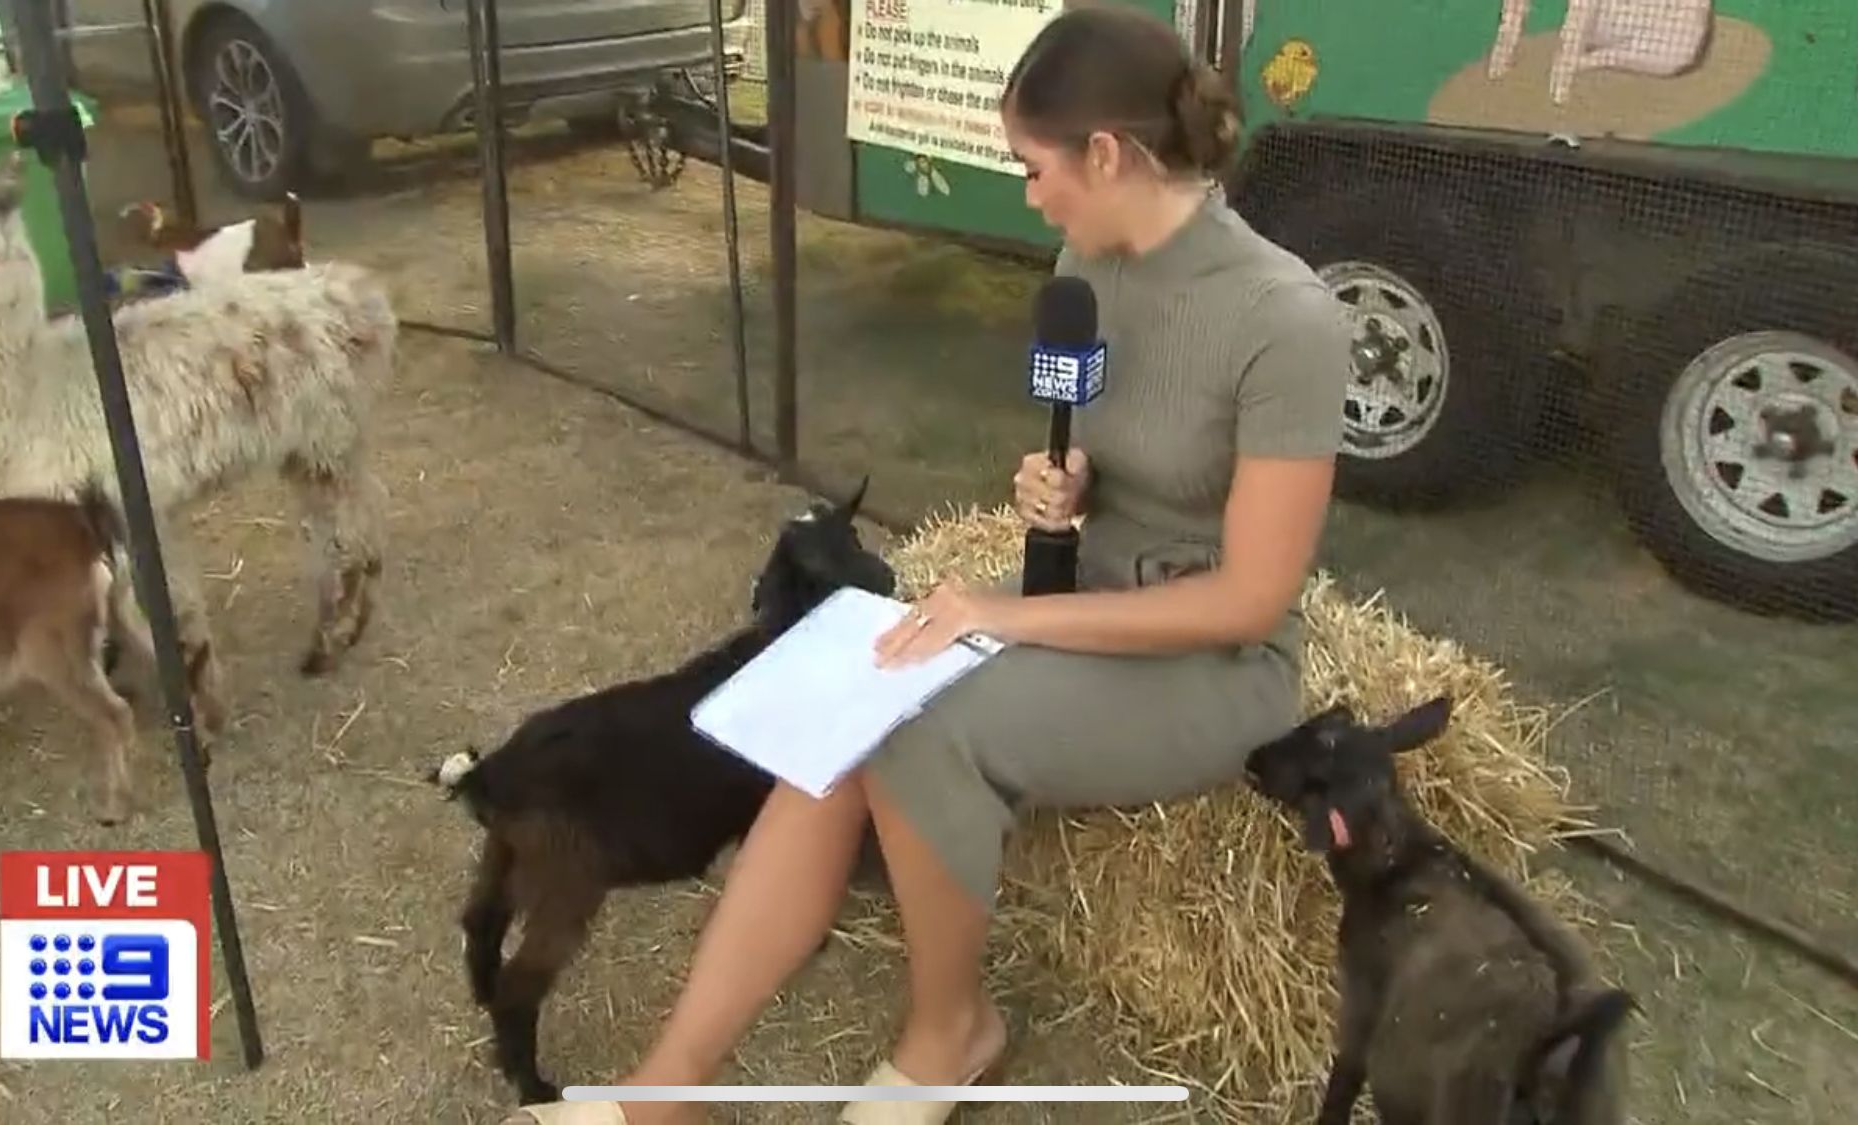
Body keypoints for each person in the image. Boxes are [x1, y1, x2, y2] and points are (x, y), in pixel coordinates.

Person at [507, 7, 1353, 1124]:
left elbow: (1249, 599)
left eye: (1033, 167)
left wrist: (1003, 617)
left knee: (915, 723)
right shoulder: (1083, 267)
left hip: (1216, 670)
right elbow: (1111, 447)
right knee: (854, 705)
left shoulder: (1288, 321)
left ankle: (951, 1031)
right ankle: (666, 1091)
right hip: (1086, 603)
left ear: (1105, 155)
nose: (1029, 196)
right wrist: (1065, 484)